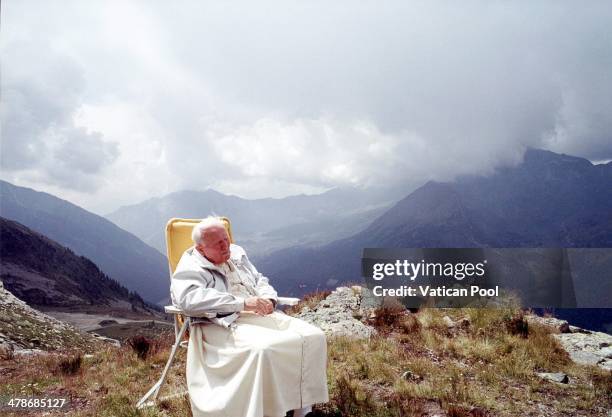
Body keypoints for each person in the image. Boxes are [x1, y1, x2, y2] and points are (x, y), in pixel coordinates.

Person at [170, 216, 329, 417]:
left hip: (258, 314)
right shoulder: (190, 266)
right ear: (201, 249)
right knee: (264, 349)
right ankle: (272, 412)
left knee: (314, 336)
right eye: (218, 243)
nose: (226, 246)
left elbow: (258, 279)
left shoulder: (236, 253)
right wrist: (242, 303)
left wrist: (269, 298)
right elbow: (188, 300)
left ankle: (303, 410)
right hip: (221, 324)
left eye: (226, 239)